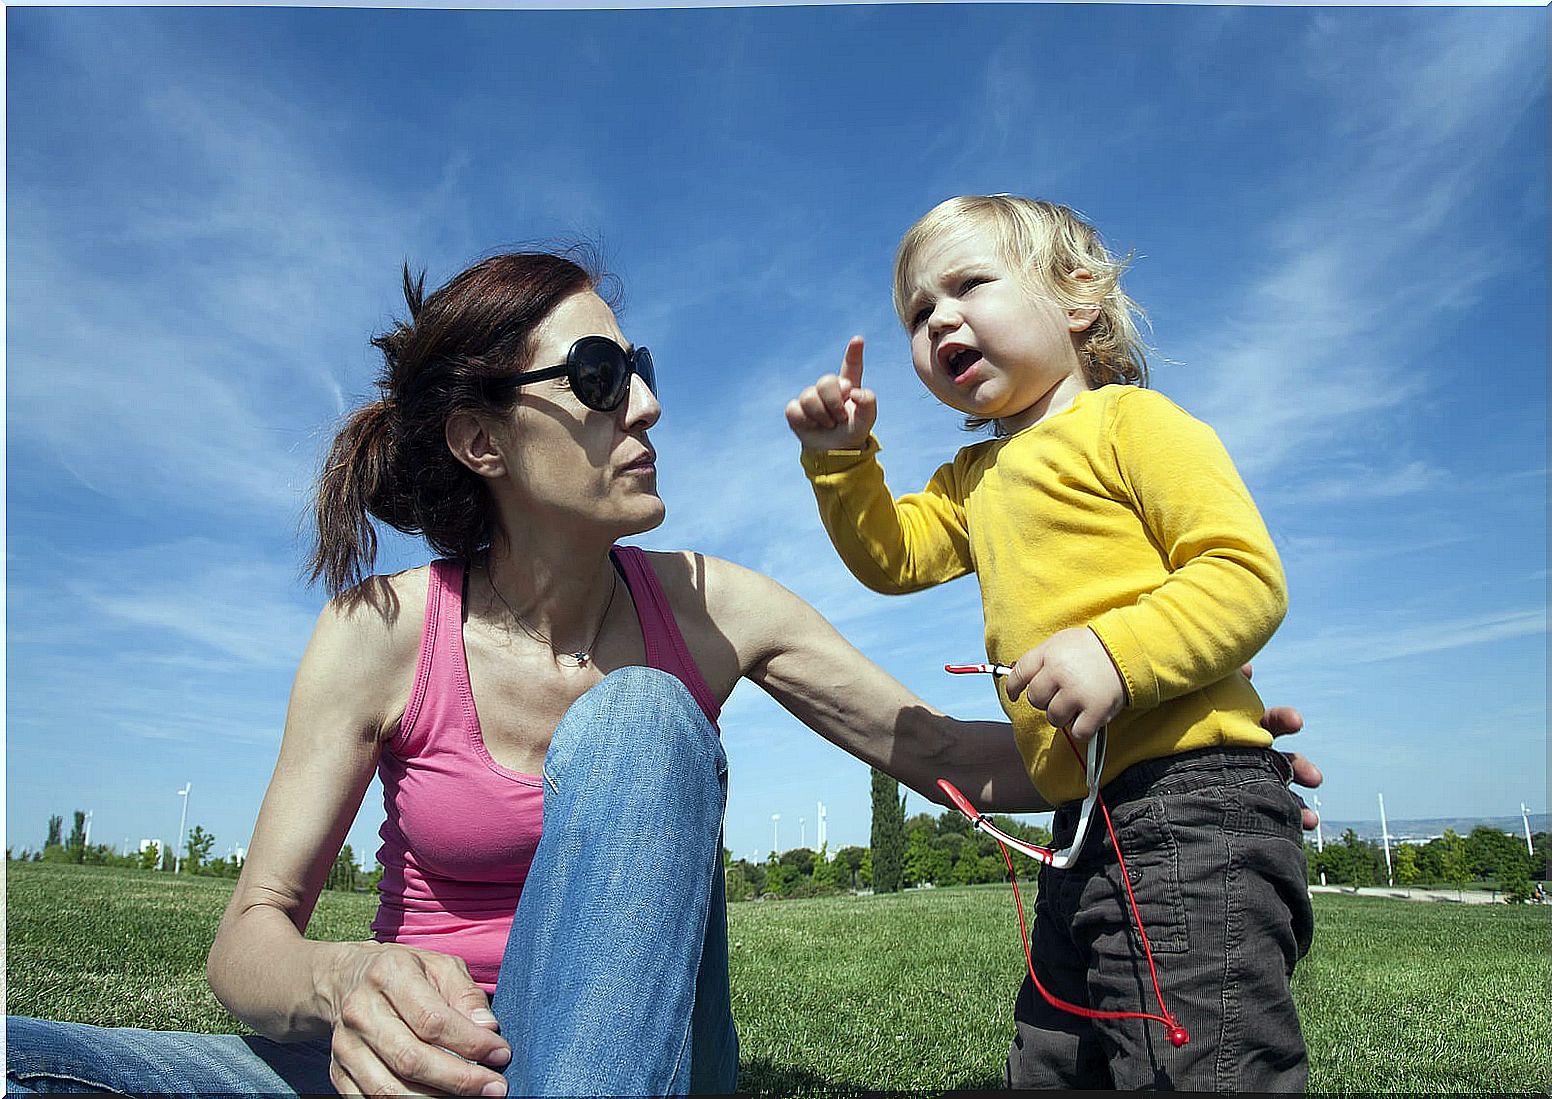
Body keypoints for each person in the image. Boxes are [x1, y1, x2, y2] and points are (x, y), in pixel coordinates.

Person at [6, 247, 1321, 1098]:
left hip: (623, 1060)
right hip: (402, 1061)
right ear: (477, 436)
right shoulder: (379, 627)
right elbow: (250, 936)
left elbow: (945, 753)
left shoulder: (710, 606)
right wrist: (350, 983)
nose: (642, 402)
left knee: (638, 713)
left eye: (640, 368)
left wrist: (1172, 745)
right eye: (594, 374)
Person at [787, 195, 1314, 1091]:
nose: (939, 317)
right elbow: (894, 556)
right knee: (1055, 1062)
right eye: (918, 313)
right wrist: (843, 461)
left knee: (1199, 1062)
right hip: (1087, 818)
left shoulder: (1132, 425)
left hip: (1193, 805)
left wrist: (1116, 653)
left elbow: (1244, 575)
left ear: (1078, 298)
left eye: (968, 284)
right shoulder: (972, 478)